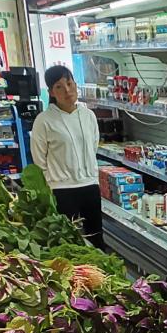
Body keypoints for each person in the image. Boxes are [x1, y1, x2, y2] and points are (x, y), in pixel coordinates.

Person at [31, 65, 103, 246]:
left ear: (76, 85)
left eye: (69, 84)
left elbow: (92, 146)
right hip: (61, 189)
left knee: (96, 237)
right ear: (51, 92)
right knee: (66, 242)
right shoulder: (44, 120)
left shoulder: (88, 115)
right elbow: (39, 160)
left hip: (89, 185)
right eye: (59, 87)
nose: (67, 90)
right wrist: (51, 182)